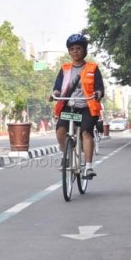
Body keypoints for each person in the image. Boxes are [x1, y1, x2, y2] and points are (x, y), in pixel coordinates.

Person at [48, 34, 104, 178]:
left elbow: (99, 88)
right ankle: (65, 153)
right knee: (60, 129)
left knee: (86, 132)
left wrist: (98, 93)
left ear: (84, 50)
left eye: (78, 48)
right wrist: (54, 94)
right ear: (69, 52)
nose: (75, 51)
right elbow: (57, 87)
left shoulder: (93, 67)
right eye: (72, 49)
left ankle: (89, 167)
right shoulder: (65, 68)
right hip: (68, 106)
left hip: (87, 106)